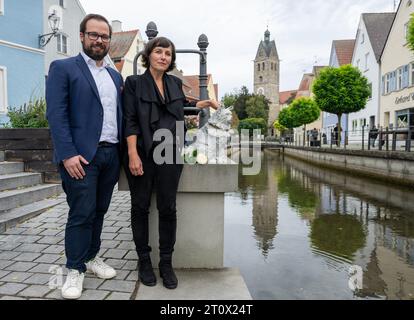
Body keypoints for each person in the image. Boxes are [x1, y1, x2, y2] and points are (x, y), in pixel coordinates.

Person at [123, 37, 219, 289]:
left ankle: (166, 263)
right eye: (159, 51)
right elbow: (130, 120)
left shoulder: (175, 83)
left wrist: (206, 102)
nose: (164, 56)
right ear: (149, 55)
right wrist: (132, 153)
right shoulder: (133, 83)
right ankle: (144, 261)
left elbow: (184, 106)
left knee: (168, 208)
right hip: (142, 153)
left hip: (170, 153)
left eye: (168, 53)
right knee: (140, 207)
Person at [46, 14, 123, 299]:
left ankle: (91, 258)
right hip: (80, 158)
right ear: (81, 36)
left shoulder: (115, 76)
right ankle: (74, 269)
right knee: (81, 213)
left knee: (100, 211)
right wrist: (68, 154)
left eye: (104, 36)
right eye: (94, 35)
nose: (99, 40)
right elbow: (56, 114)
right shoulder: (63, 68)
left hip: (110, 155)